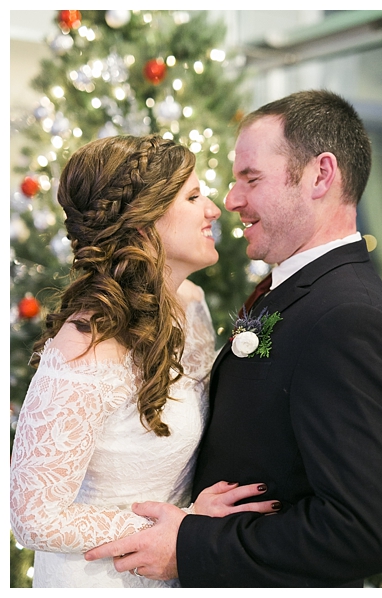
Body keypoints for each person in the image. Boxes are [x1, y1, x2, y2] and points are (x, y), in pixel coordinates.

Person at [84, 90, 382, 587]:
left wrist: (192, 545)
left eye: (251, 179)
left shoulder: (346, 315)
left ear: (321, 175)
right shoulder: (293, 288)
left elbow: (364, 531)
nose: (229, 201)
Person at [10, 134, 277, 588]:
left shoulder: (191, 305)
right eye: (193, 197)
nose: (214, 209)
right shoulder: (85, 346)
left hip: (177, 569)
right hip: (100, 577)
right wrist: (184, 525)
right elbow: (33, 518)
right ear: (143, 223)